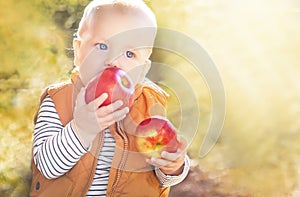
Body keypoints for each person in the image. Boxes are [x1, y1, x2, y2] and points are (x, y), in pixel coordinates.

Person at [30, 0, 190, 196]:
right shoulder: (58, 101)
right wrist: (81, 129)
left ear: (142, 70)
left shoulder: (149, 105)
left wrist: (173, 165)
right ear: (79, 51)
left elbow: (161, 176)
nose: (113, 61)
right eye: (102, 46)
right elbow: (47, 167)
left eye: (130, 54)